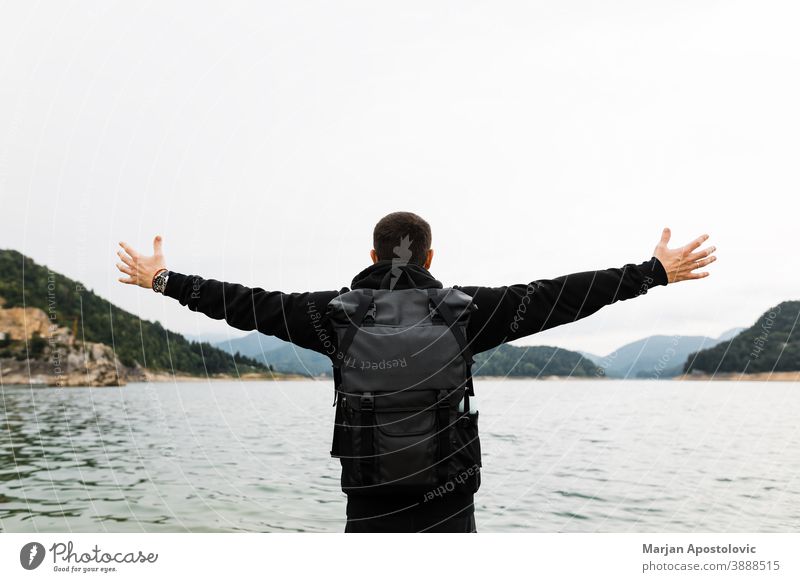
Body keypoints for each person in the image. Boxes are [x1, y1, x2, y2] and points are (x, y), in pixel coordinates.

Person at [116, 211, 716, 532]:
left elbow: (243, 302)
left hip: (370, 496)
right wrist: (652, 272)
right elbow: (559, 295)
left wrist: (163, 280)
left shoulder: (330, 314)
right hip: (449, 495)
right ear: (431, 257)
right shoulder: (469, 312)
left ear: (371, 255)